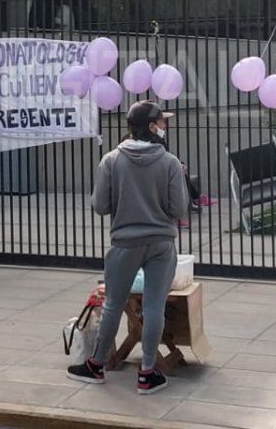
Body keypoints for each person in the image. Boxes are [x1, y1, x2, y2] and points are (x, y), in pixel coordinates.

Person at [67, 101, 188, 395]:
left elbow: (99, 205)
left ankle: (95, 365)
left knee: (112, 305)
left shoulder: (110, 160)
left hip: (124, 242)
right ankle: (147, 372)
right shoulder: (170, 163)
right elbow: (180, 207)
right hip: (161, 244)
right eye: (162, 121)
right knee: (154, 307)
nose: (165, 126)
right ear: (151, 126)